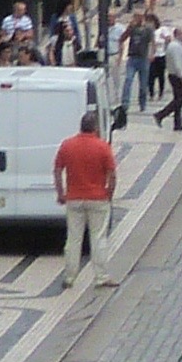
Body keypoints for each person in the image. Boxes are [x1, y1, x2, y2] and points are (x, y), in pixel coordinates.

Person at [54, 110, 120, 290]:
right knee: (98, 238)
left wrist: (61, 193)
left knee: (73, 239)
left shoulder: (67, 145)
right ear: (95, 128)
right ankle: (101, 277)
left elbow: (58, 169)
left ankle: (69, 277)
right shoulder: (102, 147)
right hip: (98, 198)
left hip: (74, 198)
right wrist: (109, 194)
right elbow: (112, 174)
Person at [153, 27, 182, 131]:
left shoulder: (178, 45)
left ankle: (177, 123)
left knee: (178, 100)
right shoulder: (175, 47)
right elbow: (177, 63)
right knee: (178, 100)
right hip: (177, 76)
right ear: (178, 35)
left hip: (177, 75)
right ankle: (160, 115)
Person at [121, 11, 153, 114]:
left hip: (143, 58)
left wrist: (151, 53)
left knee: (143, 84)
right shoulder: (132, 28)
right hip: (132, 58)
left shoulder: (148, 29)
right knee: (128, 79)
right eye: (135, 17)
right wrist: (129, 28)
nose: (136, 19)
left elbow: (152, 42)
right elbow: (122, 38)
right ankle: (125, 103)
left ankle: (142, 103)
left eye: (138, 17)